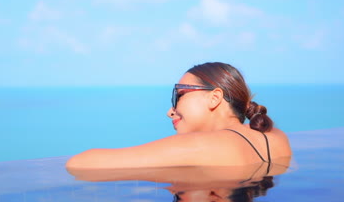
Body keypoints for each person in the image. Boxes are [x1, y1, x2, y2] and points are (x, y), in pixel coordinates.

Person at [65, 62, 291, 169]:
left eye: (180, 95)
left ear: (214, 98)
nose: (170, 110)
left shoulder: (197, 146)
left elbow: (80, 163)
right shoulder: (276, 138)